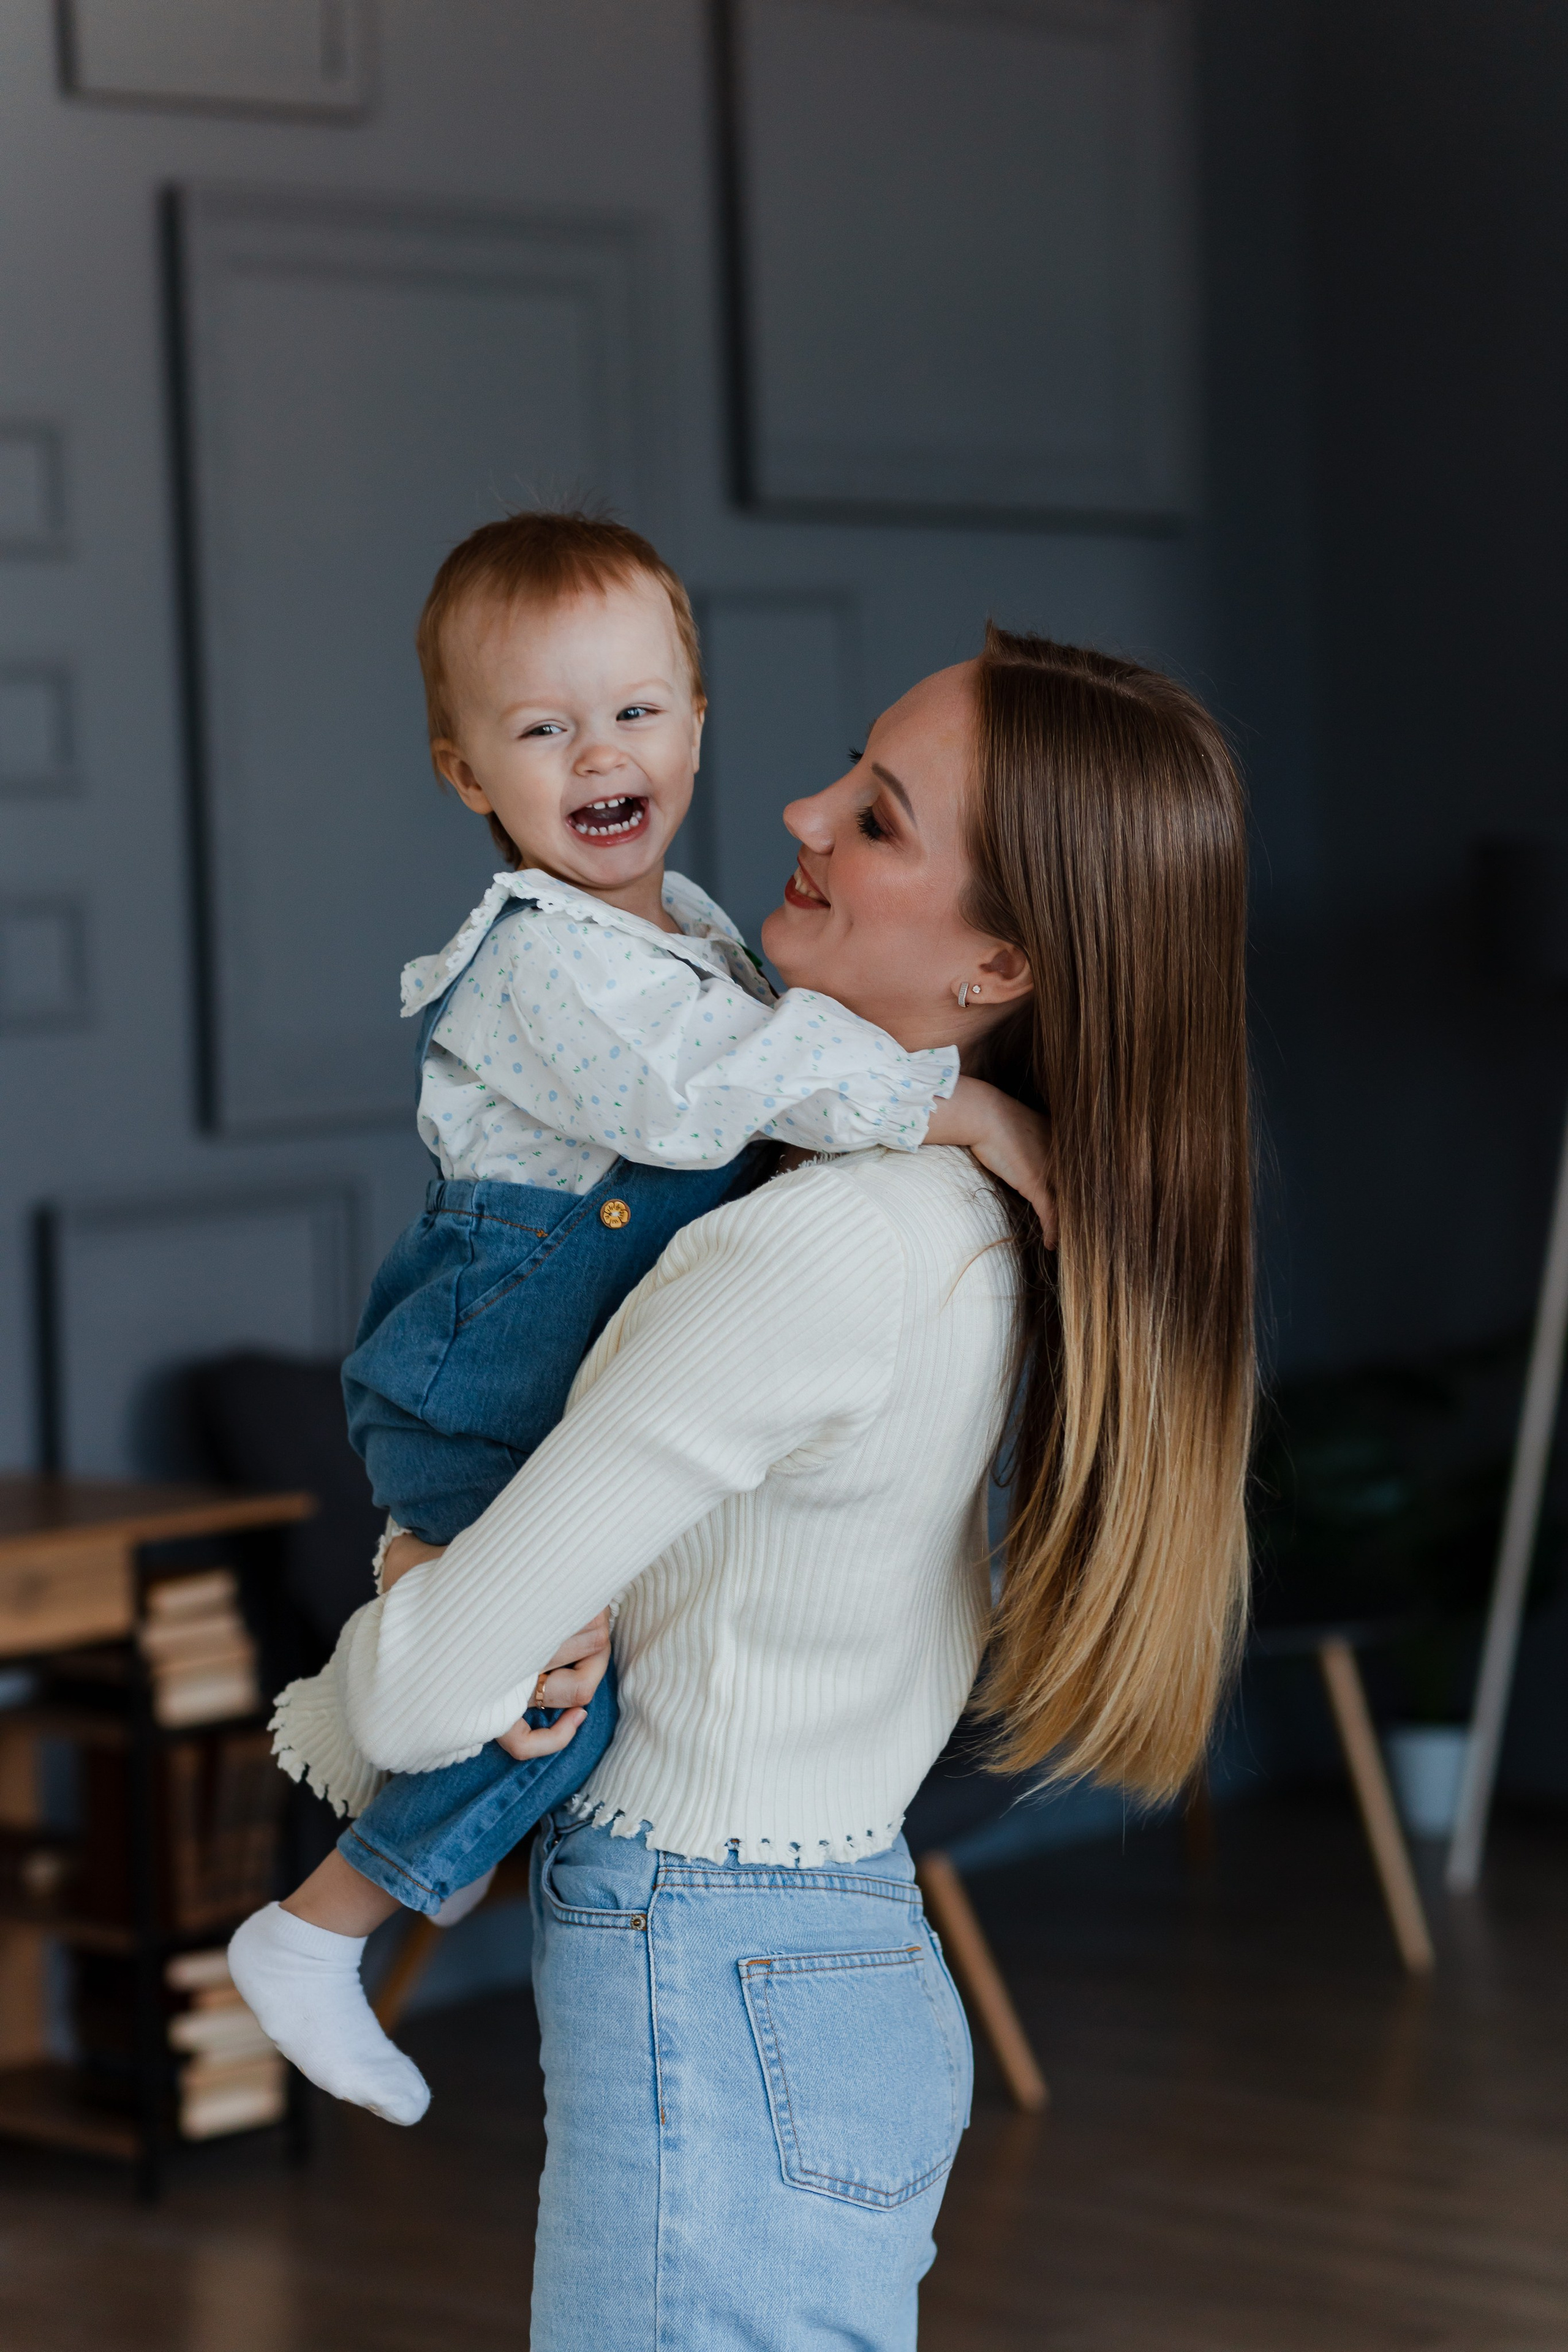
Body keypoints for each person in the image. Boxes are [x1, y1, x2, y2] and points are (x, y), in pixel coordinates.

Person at [254, 624, 1254, 2349]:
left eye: (874, 817)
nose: (793, 809)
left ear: (1002, 962)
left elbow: (427, 1699)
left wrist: (419, 1587)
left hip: (706, 1966)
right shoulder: (970, 1223)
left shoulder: (812, 1253)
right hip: (842, 1950)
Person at [228, 511, 1051, 2127]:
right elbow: (702, 1107)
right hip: (485, 1362)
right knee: (548, 1687)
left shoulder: (689, 931)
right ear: (468, 775)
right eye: (542, 730)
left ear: (695, 718)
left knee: (552, 1676)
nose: (599, 753)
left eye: (636, 712)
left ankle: (409, 1864)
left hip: (555, 1374)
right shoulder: (541, 962)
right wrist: (956, 1106)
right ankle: (320, 1928)